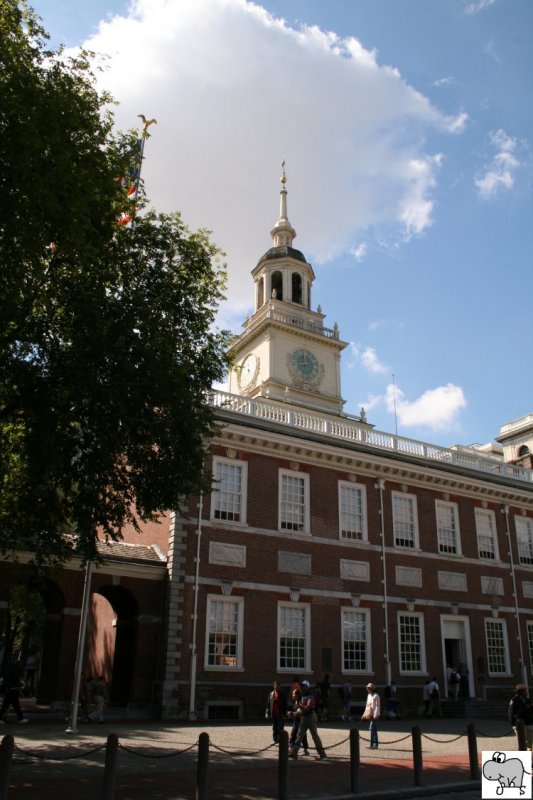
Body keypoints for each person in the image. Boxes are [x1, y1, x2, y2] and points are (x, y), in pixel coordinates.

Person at [289, 681, 327, 760]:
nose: (302, 687)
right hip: (304, 717)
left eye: (304, 686)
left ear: (308, 687)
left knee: (314, 736)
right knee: (299, 735)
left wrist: (301, 709)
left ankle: (322, 754)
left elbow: (309, 705)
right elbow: (300, 709)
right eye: (302, 686)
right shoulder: (302, 696)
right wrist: (295, 713)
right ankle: (293, 753)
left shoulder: (310, 696)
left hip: (310, 717)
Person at [508, 683, 533, 749]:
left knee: (531, 741)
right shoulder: (514, 700)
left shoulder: (528, 700)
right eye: (525, 690)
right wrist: (513, 723)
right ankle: (524, 756)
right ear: (520, 691)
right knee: (522, 741)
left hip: (529, 722)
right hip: (519, 724)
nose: (526, 692)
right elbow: (510, 712)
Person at [288, 685, 309, 755]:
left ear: (297, 695)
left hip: (301, 721)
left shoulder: (300, 701)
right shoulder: (295, 702)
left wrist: (293, 713)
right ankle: (291, 748)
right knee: (294, 734)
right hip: (296, 721)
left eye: (293, 694)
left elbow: (301, 711)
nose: (292, 695)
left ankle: (304, 749)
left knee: (300, 735)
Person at [362, 682, 380, 749]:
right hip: (370, 714)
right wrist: (364, 714)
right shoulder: (369, 696)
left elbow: (377, 706)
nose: (368, 689)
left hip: (375, 715)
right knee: (374, 729)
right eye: (367, 688)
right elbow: (367, 706)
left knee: (371, 728)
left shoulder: (376, 696)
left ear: (372, 689)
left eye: (369, 688)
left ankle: (372, 744)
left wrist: (376, 715)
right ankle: (375, 744)